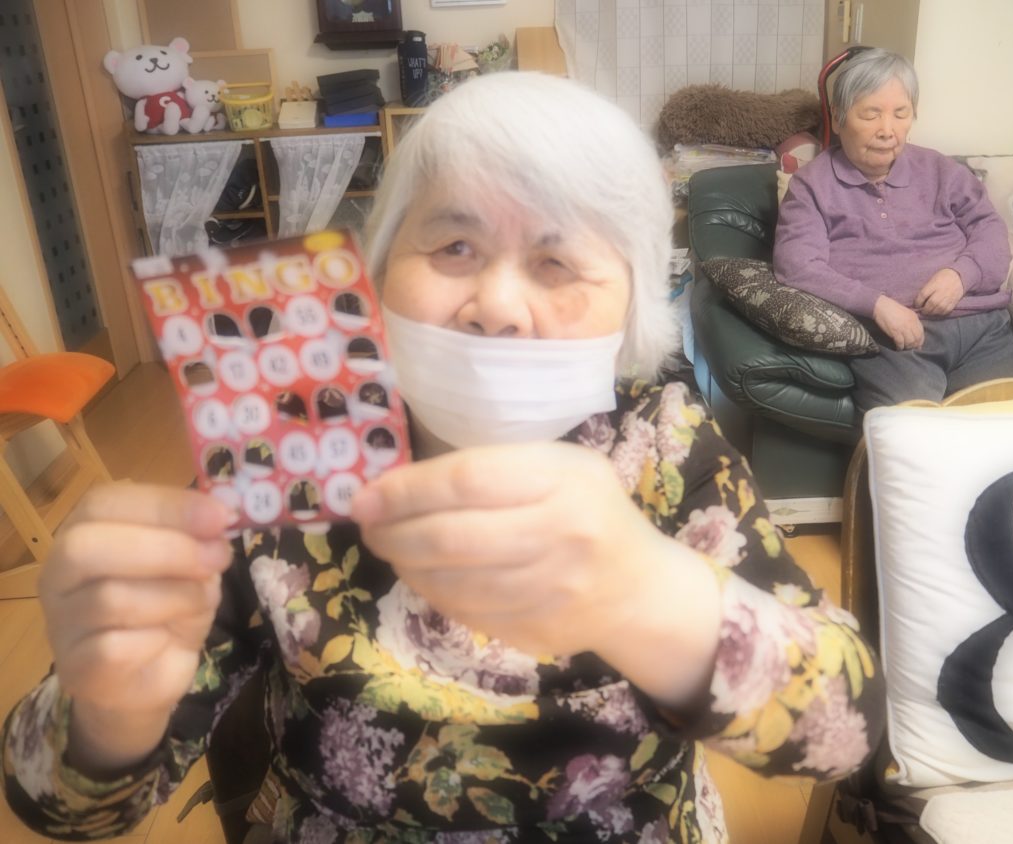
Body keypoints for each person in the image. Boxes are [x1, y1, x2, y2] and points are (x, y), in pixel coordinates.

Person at [2, 72, 883, 843]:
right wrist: (109, 706)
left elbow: (843, 732)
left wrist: (644, 592)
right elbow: (64, 810)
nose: (497, 306)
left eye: (558, 260)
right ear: (378, 276)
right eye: (454, 246)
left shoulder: (668, 447)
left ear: (631, 314)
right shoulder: (284, 454)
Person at [774, 48, 1013, 414]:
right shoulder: (811, 185)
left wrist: (961, 275)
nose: (887, 130)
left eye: (901, 113)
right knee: (911, 436)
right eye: (871, 114)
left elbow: (990, 230)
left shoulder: (941, 169)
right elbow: (797, 265)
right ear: (839, 119)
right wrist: (877, 305)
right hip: (896, 340)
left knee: (1010, 426)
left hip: (981, 327)